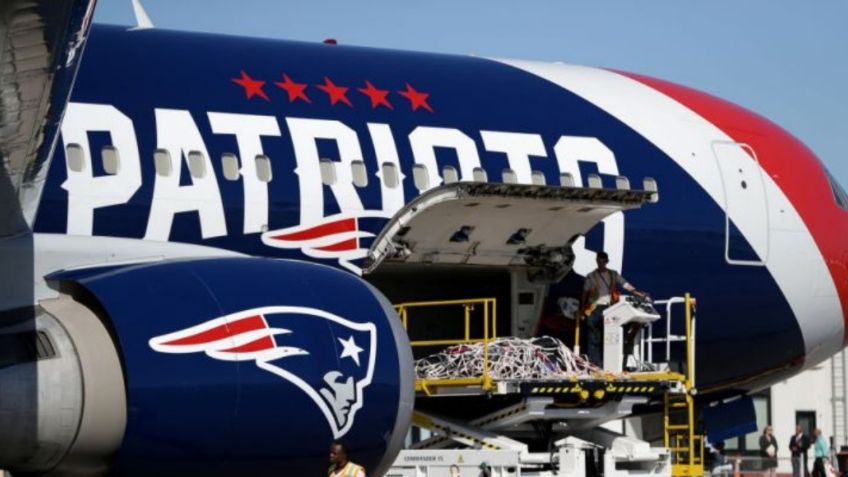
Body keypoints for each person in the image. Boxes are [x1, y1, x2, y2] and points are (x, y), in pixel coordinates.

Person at [579, 251, 647, 367]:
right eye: (598, 261)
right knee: (593, 337)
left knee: (606, 336)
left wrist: (639, 294)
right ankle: (594, 364)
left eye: (602, 261)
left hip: (609, 308)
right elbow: (584, 293)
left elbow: (626, 285)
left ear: (606, 261)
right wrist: (582, 310)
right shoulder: (591, 276)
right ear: (596, 261)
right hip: (594, 308)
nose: (600, 264)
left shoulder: (613, 274)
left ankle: (604, 363)